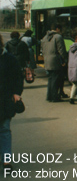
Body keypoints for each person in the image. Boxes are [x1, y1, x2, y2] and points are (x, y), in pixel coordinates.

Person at [0, 35, 24, 173]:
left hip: (4, 100)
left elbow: (18, 78)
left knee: (4, 130)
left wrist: (16, 93)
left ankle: (6, 160)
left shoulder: (9, 59)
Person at [41, 23, 68, 102]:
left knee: (50, 79)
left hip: (47, 61)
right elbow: (61, 50)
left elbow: (42, 49)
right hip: (55, 61)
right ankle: (55, 97)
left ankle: (49, 96)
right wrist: (64, 60)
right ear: (58, 29)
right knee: (56, 80)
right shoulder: (58, 37)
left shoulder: (45, 37)